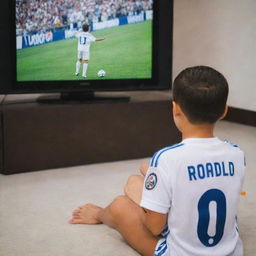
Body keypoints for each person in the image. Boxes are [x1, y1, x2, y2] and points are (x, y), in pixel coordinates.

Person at [69, 66, 245, 256]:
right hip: (230, 252)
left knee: (120, 204)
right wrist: (156, 176)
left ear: (175, 109)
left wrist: (156, 177)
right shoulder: (237, 153)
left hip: (179, 252)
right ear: (224, 111)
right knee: (135, 182)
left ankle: (99, 214)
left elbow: (154, 227)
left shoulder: (166, 158)